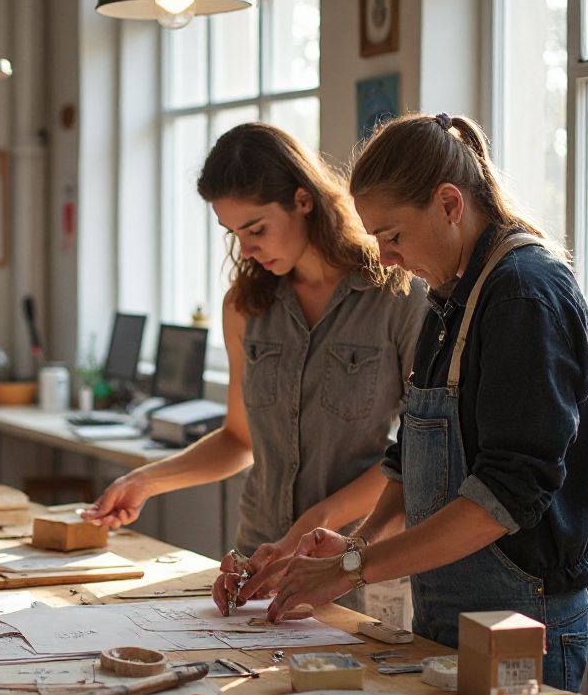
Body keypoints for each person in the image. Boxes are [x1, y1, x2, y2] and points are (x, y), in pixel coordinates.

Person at [248, 112, 588, 693]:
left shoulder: (523, 293)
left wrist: (348, 571)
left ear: (449, 204)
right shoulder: (450, 295)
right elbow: (413, 447)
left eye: (393, 236)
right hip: (446, 604)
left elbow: (506, 494)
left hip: (520, 615)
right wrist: (358, 542)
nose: (386, 258)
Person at [84, 123, 427, 613]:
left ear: (303, 200)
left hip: (357, 564)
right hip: (260, 556)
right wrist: (145, 481)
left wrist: (311, 525)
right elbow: (238, 440)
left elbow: (416, 456)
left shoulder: (397, 294)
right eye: (234, 234)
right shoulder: (246, 306)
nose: (245, 249)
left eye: (256, 229)